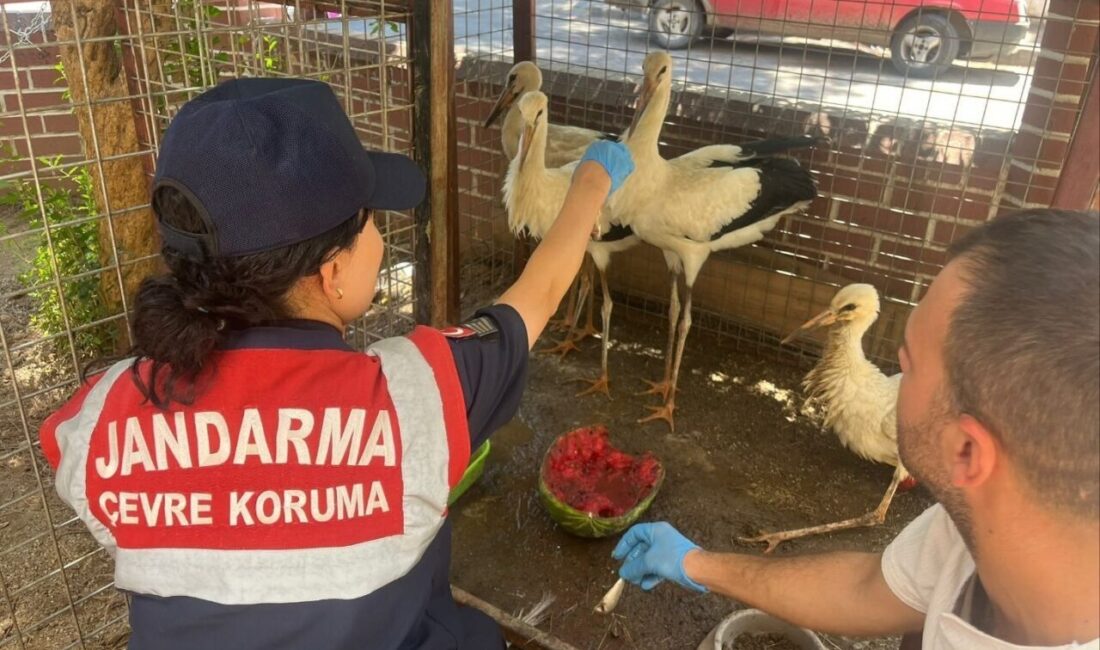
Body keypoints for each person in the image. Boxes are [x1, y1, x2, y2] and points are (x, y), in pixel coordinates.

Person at [38, 77, 633, 650]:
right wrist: (592, 179)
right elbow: (541, 289)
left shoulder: (100, 415)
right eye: (371, 218)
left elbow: (63, 446)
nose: (379, 233)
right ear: (332, 271)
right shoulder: (418, 397)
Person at [613, 209, 1099, 649]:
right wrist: (696, 563)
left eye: (909, 365)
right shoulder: (973, 526)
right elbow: (867, 589)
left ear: (967, 451)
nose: (897, 377)